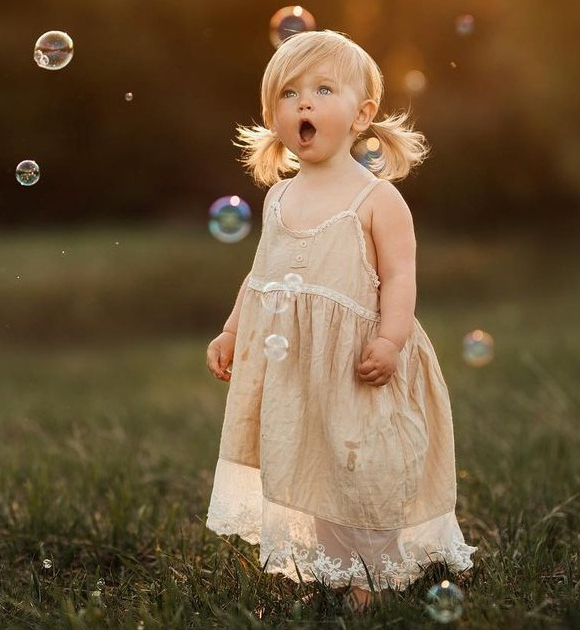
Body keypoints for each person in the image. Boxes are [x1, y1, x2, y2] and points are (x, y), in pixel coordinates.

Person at [203, 30, 474, 611]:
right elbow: (259, 276)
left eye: (324, 90)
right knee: (314, 460)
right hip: (298, 369)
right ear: (272, 116)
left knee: (361, 466)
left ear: (362, 114)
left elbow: (401, 278)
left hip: (358, 362)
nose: (304, 103)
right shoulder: (278, 199)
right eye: (289, 94)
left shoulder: (376, 199)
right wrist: (231, 329)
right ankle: (331, 567)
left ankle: (369, 577)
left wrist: (391, 339)